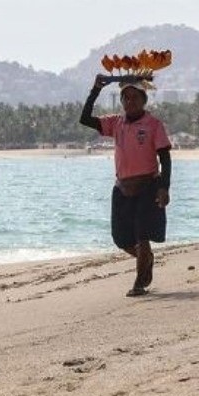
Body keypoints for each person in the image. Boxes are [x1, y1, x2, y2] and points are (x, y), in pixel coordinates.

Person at [79, 75, 172, 297]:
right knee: (121, 239)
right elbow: (85, 119)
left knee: (142, 235)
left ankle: (140, 283)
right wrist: (95, 90)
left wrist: (164, 188)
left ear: (143, 100)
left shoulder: (153, 125)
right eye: (126, 98)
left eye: (134, 97)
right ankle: (146, 258)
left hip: (148, 185)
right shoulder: (115, 123)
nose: (130, 102)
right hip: (122, 187)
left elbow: (165, 158)